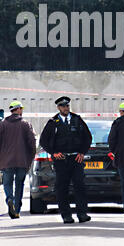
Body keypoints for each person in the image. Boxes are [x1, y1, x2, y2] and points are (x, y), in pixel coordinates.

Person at [39, 96, 92, 224]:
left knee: (80, 185)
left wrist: (82, 152)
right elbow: (43, 141)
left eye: (67, 106)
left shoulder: (77, 120)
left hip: (76, 159)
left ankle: (82, 213)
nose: (66, 108)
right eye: (63, 106)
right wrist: (54, 153)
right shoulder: (53, 122)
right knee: (62, 187)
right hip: (61, 160)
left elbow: (87, 137)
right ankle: (66, 215)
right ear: (58, 107)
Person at [0, 100, 36, 219]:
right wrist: (30, 158)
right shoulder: (26, 124)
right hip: (22, 161)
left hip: (6, 161)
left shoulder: (2, 124)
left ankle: (9, 199)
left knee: (7, 184)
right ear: (19, 109)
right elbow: (32, 143)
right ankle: (16, 209)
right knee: (19, 185)